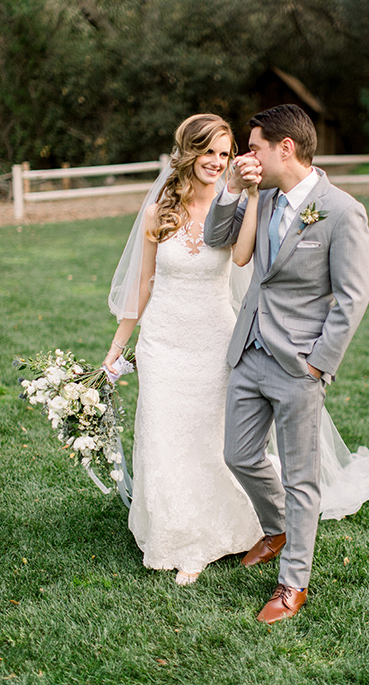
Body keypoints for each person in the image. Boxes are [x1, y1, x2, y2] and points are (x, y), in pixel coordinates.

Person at [204, 104, 369, 623]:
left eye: (254, 148)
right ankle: (279, 528)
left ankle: (293, 583)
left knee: (300, 478)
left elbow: (354, 296)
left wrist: (318, 363)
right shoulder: (262, 194)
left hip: (299, 364)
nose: (249, 156)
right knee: (238, 455)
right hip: (248, 350)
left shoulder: (341, 210)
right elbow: (217, 239)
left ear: (284, 148)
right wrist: (233, 185)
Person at [104, 113, 264, 585]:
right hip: (163, 342)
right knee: (164, 434)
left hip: (214, 339)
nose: (217, 162)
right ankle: (174, 533)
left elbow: (240, 257)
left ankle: (206, 535)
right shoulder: (160, 209)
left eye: (225, 153)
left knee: (208, 438)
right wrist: (118, 347)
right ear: (188, 153)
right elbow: (142, 285)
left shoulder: (232, 202)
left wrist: (250, 196)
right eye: (208, 151)